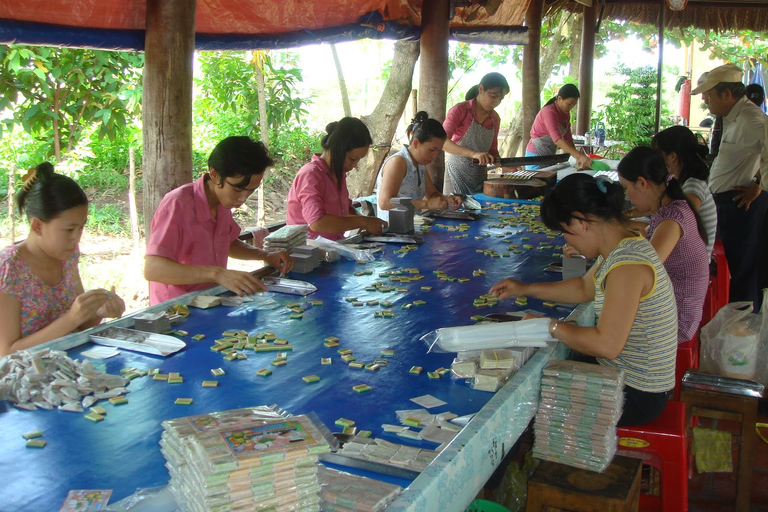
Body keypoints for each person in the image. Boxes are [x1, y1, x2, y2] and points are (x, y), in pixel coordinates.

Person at [489, 173, 677, 426]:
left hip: (637, 393)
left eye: (564, 231)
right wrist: (525, 288)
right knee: (544, 367)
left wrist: (548, 326)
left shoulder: (627, 267)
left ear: (580, 222)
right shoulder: (624, 244)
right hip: (622, 373)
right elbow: (583, 288)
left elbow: (606, 345)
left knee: (524, 401)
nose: (565, 239)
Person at [144, 136, 294, 305]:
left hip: (211, 300)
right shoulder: (177, 205)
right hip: (176, 310)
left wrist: (267, 256)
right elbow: (153, 269)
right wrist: (217, 274)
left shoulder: (222, 202)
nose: (242, 199)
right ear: (215, 175)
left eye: (250, 191)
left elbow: (229, 243)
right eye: (238, 189)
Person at [0, 162, 125, 356]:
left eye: (81, 227)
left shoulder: (68, 255)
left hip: (69, 368)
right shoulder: (10, 269)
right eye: (69, 229)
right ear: (38, 227)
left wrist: (97, 312)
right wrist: (72, 318)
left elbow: (81, 325)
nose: (77, 238)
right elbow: (6, 353)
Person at [691, 63, 768, 308]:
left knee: (743, 267)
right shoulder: (731, 117)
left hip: (740, 204)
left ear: (727, 94)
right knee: (732, 264)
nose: (705, 100)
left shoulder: (752, 119)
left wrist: (759, 183)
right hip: (723, 201)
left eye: (710, 95)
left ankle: (742, 325)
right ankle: (735, 320)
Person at [617, 147, 710, 344]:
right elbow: (647, 231)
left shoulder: (672, 218)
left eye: (626, 188)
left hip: (677, 319)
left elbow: (647, 268)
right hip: (670, 307)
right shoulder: (672, 208)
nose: (627, 196)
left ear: (642, 183)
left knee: (604, 323)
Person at [286, 117, 387, 240]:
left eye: (358, 160)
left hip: (333, 248)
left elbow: (345, 209)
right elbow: (317, 223)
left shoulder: (338, 174)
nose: (355, 165)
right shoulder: (311, 175)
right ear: (337, 149)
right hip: (308, 252)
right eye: (352, 159)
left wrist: (367, 222)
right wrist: (363, 222)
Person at [375, 112, 463, 222]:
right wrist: (426, 204)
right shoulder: (398, 162)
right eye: (431, 150)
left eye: (438, 151)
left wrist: (447, 199)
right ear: (416, 143)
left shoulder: (420, 165)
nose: (434, 156)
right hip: (391, 230)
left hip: (412, 226)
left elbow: (432, 194)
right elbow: (385, 203)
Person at [651, 126, 717, 257]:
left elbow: (680, 218)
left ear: (672, 157)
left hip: (692, 264)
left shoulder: (693, 186)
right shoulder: (681, 182)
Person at [442, 72, 509, 195]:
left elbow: (493, 151)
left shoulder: (495, 118)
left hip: (479, 178)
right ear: (481, 89)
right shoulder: (460, 110)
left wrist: (505, 166)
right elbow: (442, 142)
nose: (497, 102)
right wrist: (473, 154)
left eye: (501, 98)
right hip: (456, 175)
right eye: (494, 96)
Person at [526, 84, 592, 170]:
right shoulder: (549, 112)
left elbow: (568, 139)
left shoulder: (565, 114)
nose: (571, 107)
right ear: (560, 98)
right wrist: (579, 155)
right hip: (535, 156)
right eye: (569, 104)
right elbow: (557, 139)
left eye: (574, 105)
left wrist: (577, 157)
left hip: (550, 156)